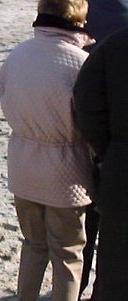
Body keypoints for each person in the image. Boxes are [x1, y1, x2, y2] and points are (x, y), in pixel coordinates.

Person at [0, 0, 95, 300]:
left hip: (24, 164)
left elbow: (4, 93)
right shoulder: (80, 63)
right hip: (66, 171)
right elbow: (89, 122)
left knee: (33, 246)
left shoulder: (17, 55)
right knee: (67, 253)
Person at [77, 1, 128, 300]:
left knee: (116, 258)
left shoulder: (112, 48)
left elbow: (87, 107)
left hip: (120, 163)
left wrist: (108, 149)